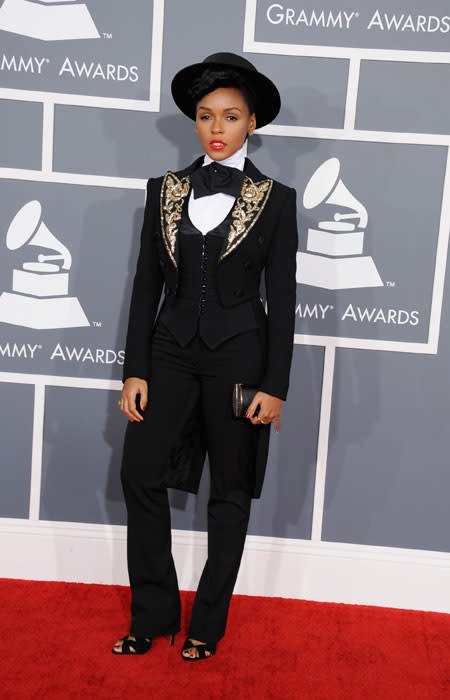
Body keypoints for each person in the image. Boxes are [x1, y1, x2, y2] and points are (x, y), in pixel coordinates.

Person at [112, 52, 298, 661]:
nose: (217, 128)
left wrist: (276, 384)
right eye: (205, 116)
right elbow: (146, 285)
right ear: (194, 122)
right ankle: (153, 614)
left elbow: (284, 298)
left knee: (231, 489)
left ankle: (206, 626)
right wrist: (135, 368)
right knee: (140, 474)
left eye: (231, 117)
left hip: (240, 359)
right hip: (167, 352)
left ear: (252, 125)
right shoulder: (163, 191)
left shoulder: (275, 199)